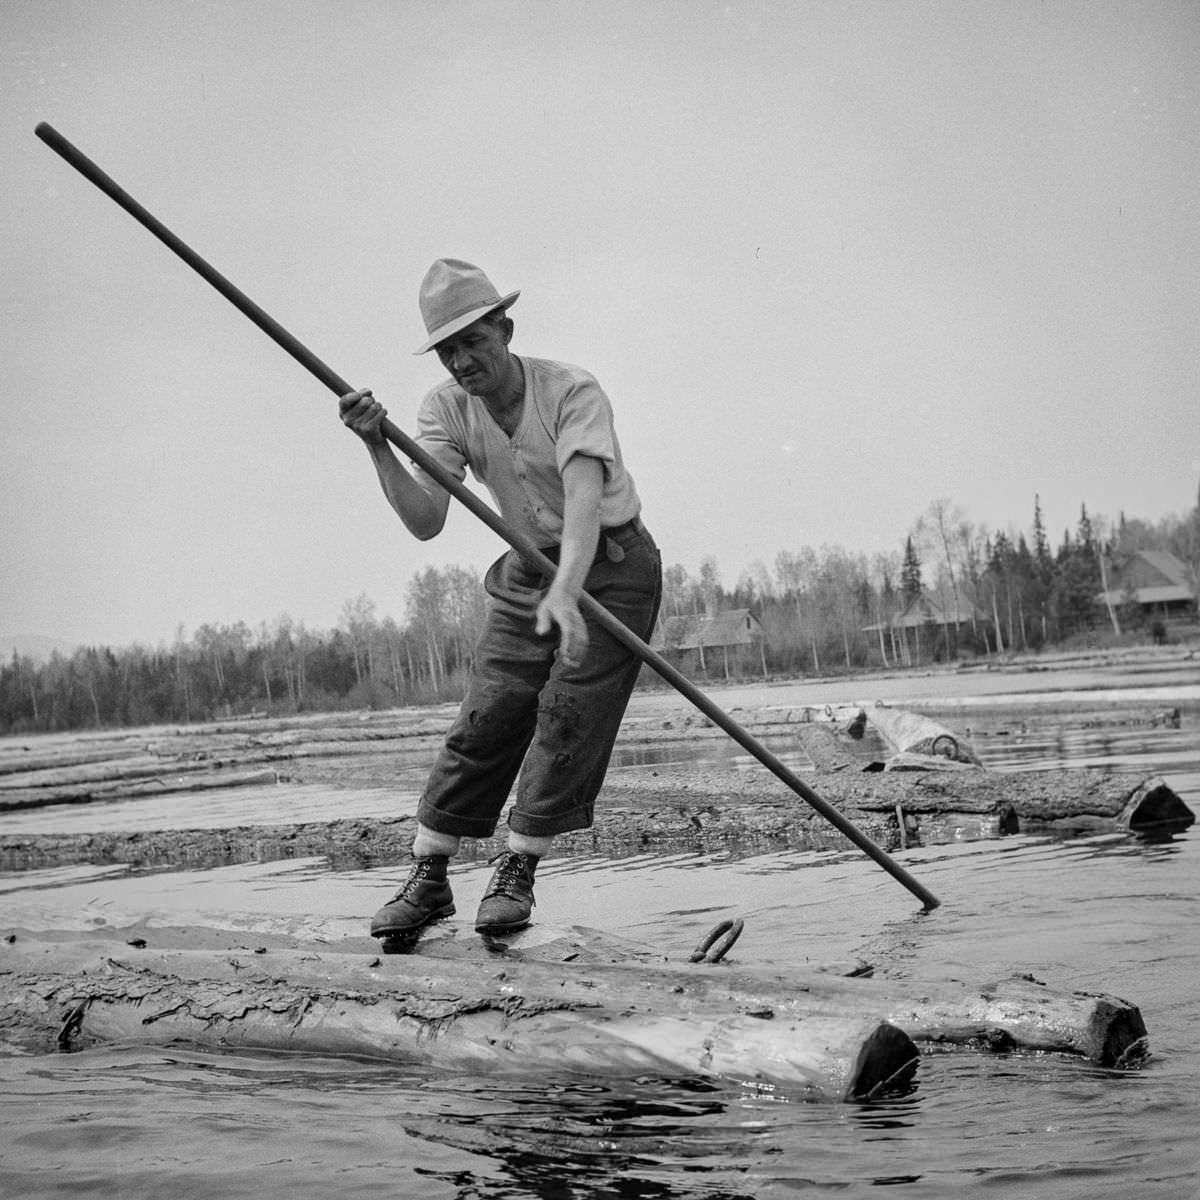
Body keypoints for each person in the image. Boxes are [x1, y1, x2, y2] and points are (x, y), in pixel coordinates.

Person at [340, 258, 661, 939]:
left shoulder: (572, 390)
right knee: (488, 712)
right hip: (525, 571)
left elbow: (581, 503)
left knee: (567, 713)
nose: (461, 361)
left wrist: (568, 592)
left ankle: (517, 872)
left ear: (505, 330)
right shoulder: (444, 408)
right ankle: (428, 878)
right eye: (448, 349)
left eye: (474, 343)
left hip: (610, 564)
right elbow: (427, 519)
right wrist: (377, 448)